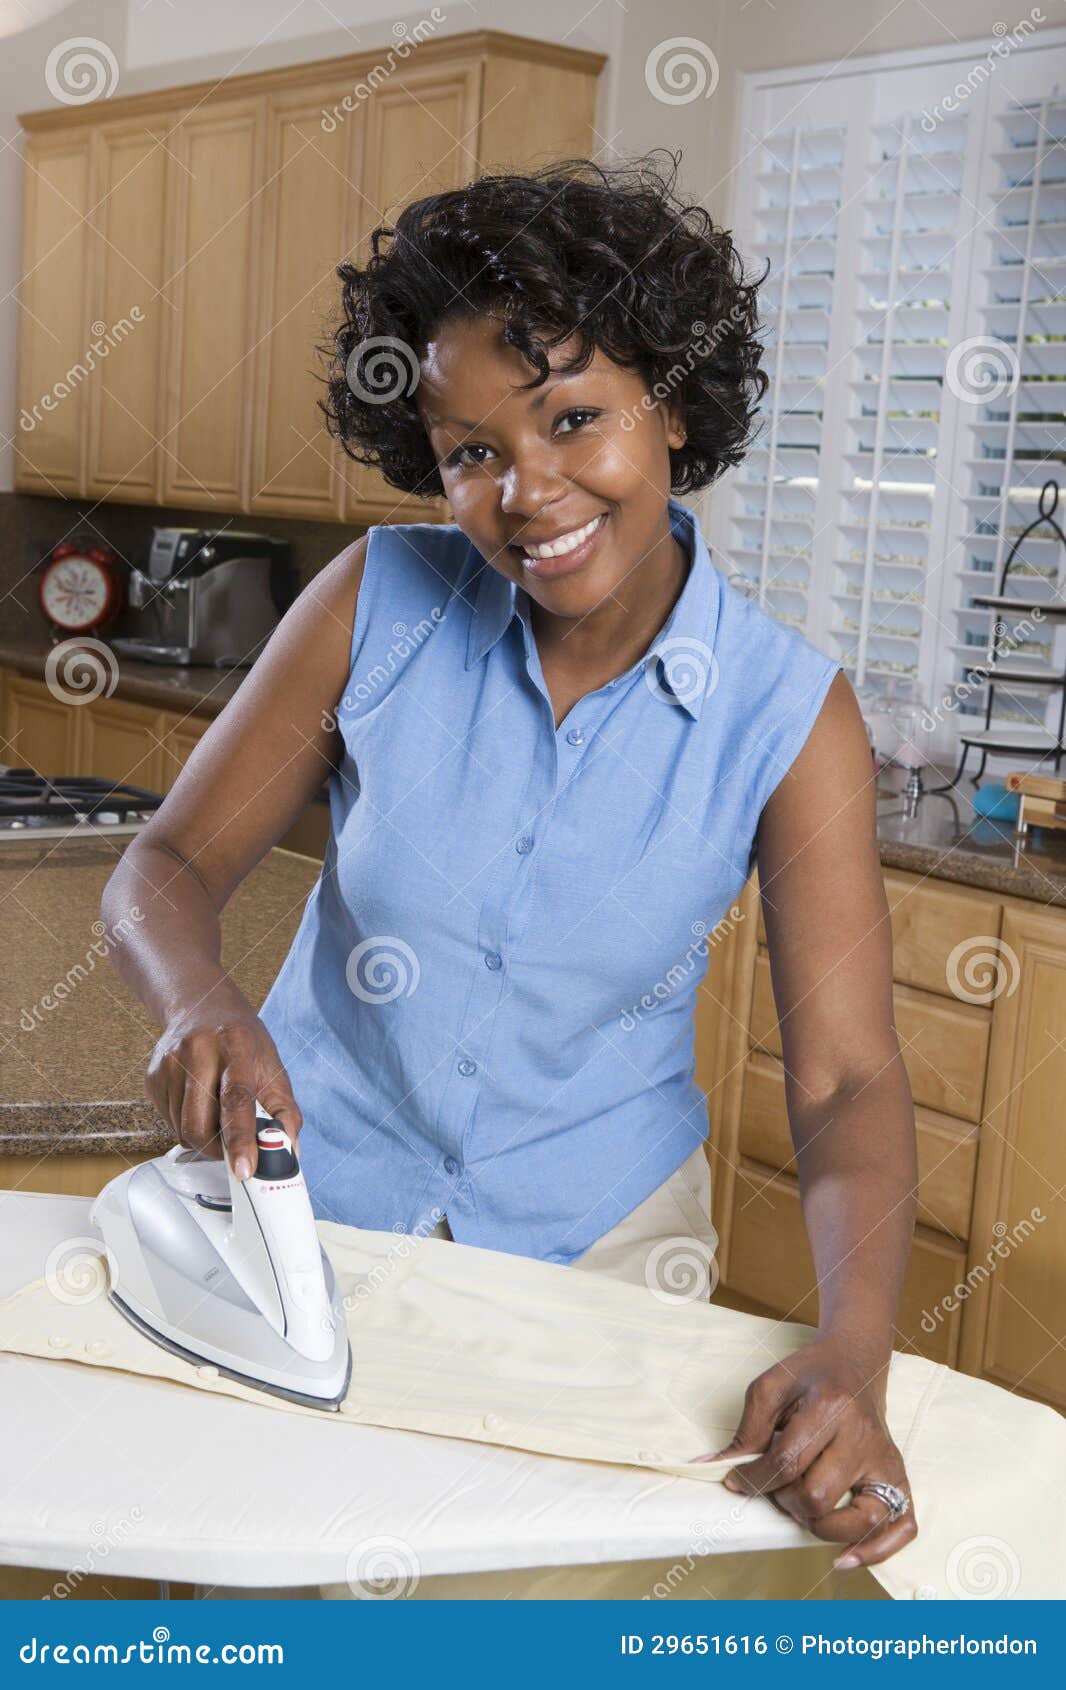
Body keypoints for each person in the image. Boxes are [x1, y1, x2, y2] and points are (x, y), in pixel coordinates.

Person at [101, 154, 918, 1574]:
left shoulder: (786, 717)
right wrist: (197, 1001)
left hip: (597, 1265)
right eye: (473, 450)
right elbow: (162, 864)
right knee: (251, 1595)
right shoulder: (377, 601)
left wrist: (855, 1353)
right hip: (308, 1222)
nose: (526, 492)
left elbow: (845, 1077)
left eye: (572, 420)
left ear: (671, 397)